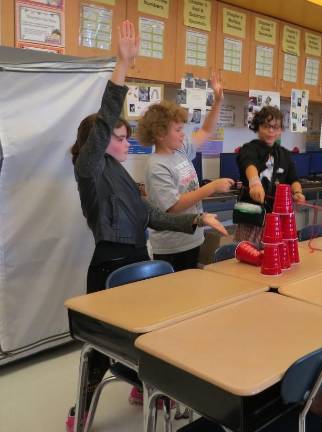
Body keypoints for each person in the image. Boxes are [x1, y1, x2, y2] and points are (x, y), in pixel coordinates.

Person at [67, 21, 227, 431]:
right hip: (111, 266)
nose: (125, 142)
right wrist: (122, 66)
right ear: (100, 143)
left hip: (139, 258)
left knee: (150, 336)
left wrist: (197, 217)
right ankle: (81, 412)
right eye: (118, 138)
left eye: (125, 136)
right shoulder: (90, 171)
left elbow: (151, 216)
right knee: (101, 350)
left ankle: (144, 385)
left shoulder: (123, 173)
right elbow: (103, 123)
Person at [141, 73, 233, 271]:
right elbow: (173, 206)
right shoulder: (156, 165)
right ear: (159, 134)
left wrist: (217, 102)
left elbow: (207, 130)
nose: (183, 134)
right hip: (171, 246)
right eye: (178, 130)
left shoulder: (180, 149)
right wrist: (212, 187)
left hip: (192, 238)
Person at [235, 106, 305, 244]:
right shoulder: (249, 148)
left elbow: (293, 178)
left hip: (277, 218)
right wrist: (255, 183)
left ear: (280, 130)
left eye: (275, 127)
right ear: (258, 127)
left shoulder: (284, 153)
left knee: (274, 254)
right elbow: (249, 164)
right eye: (266, 126)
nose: (271, 131)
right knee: (248, 256)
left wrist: (297, 192)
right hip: (252, 217)